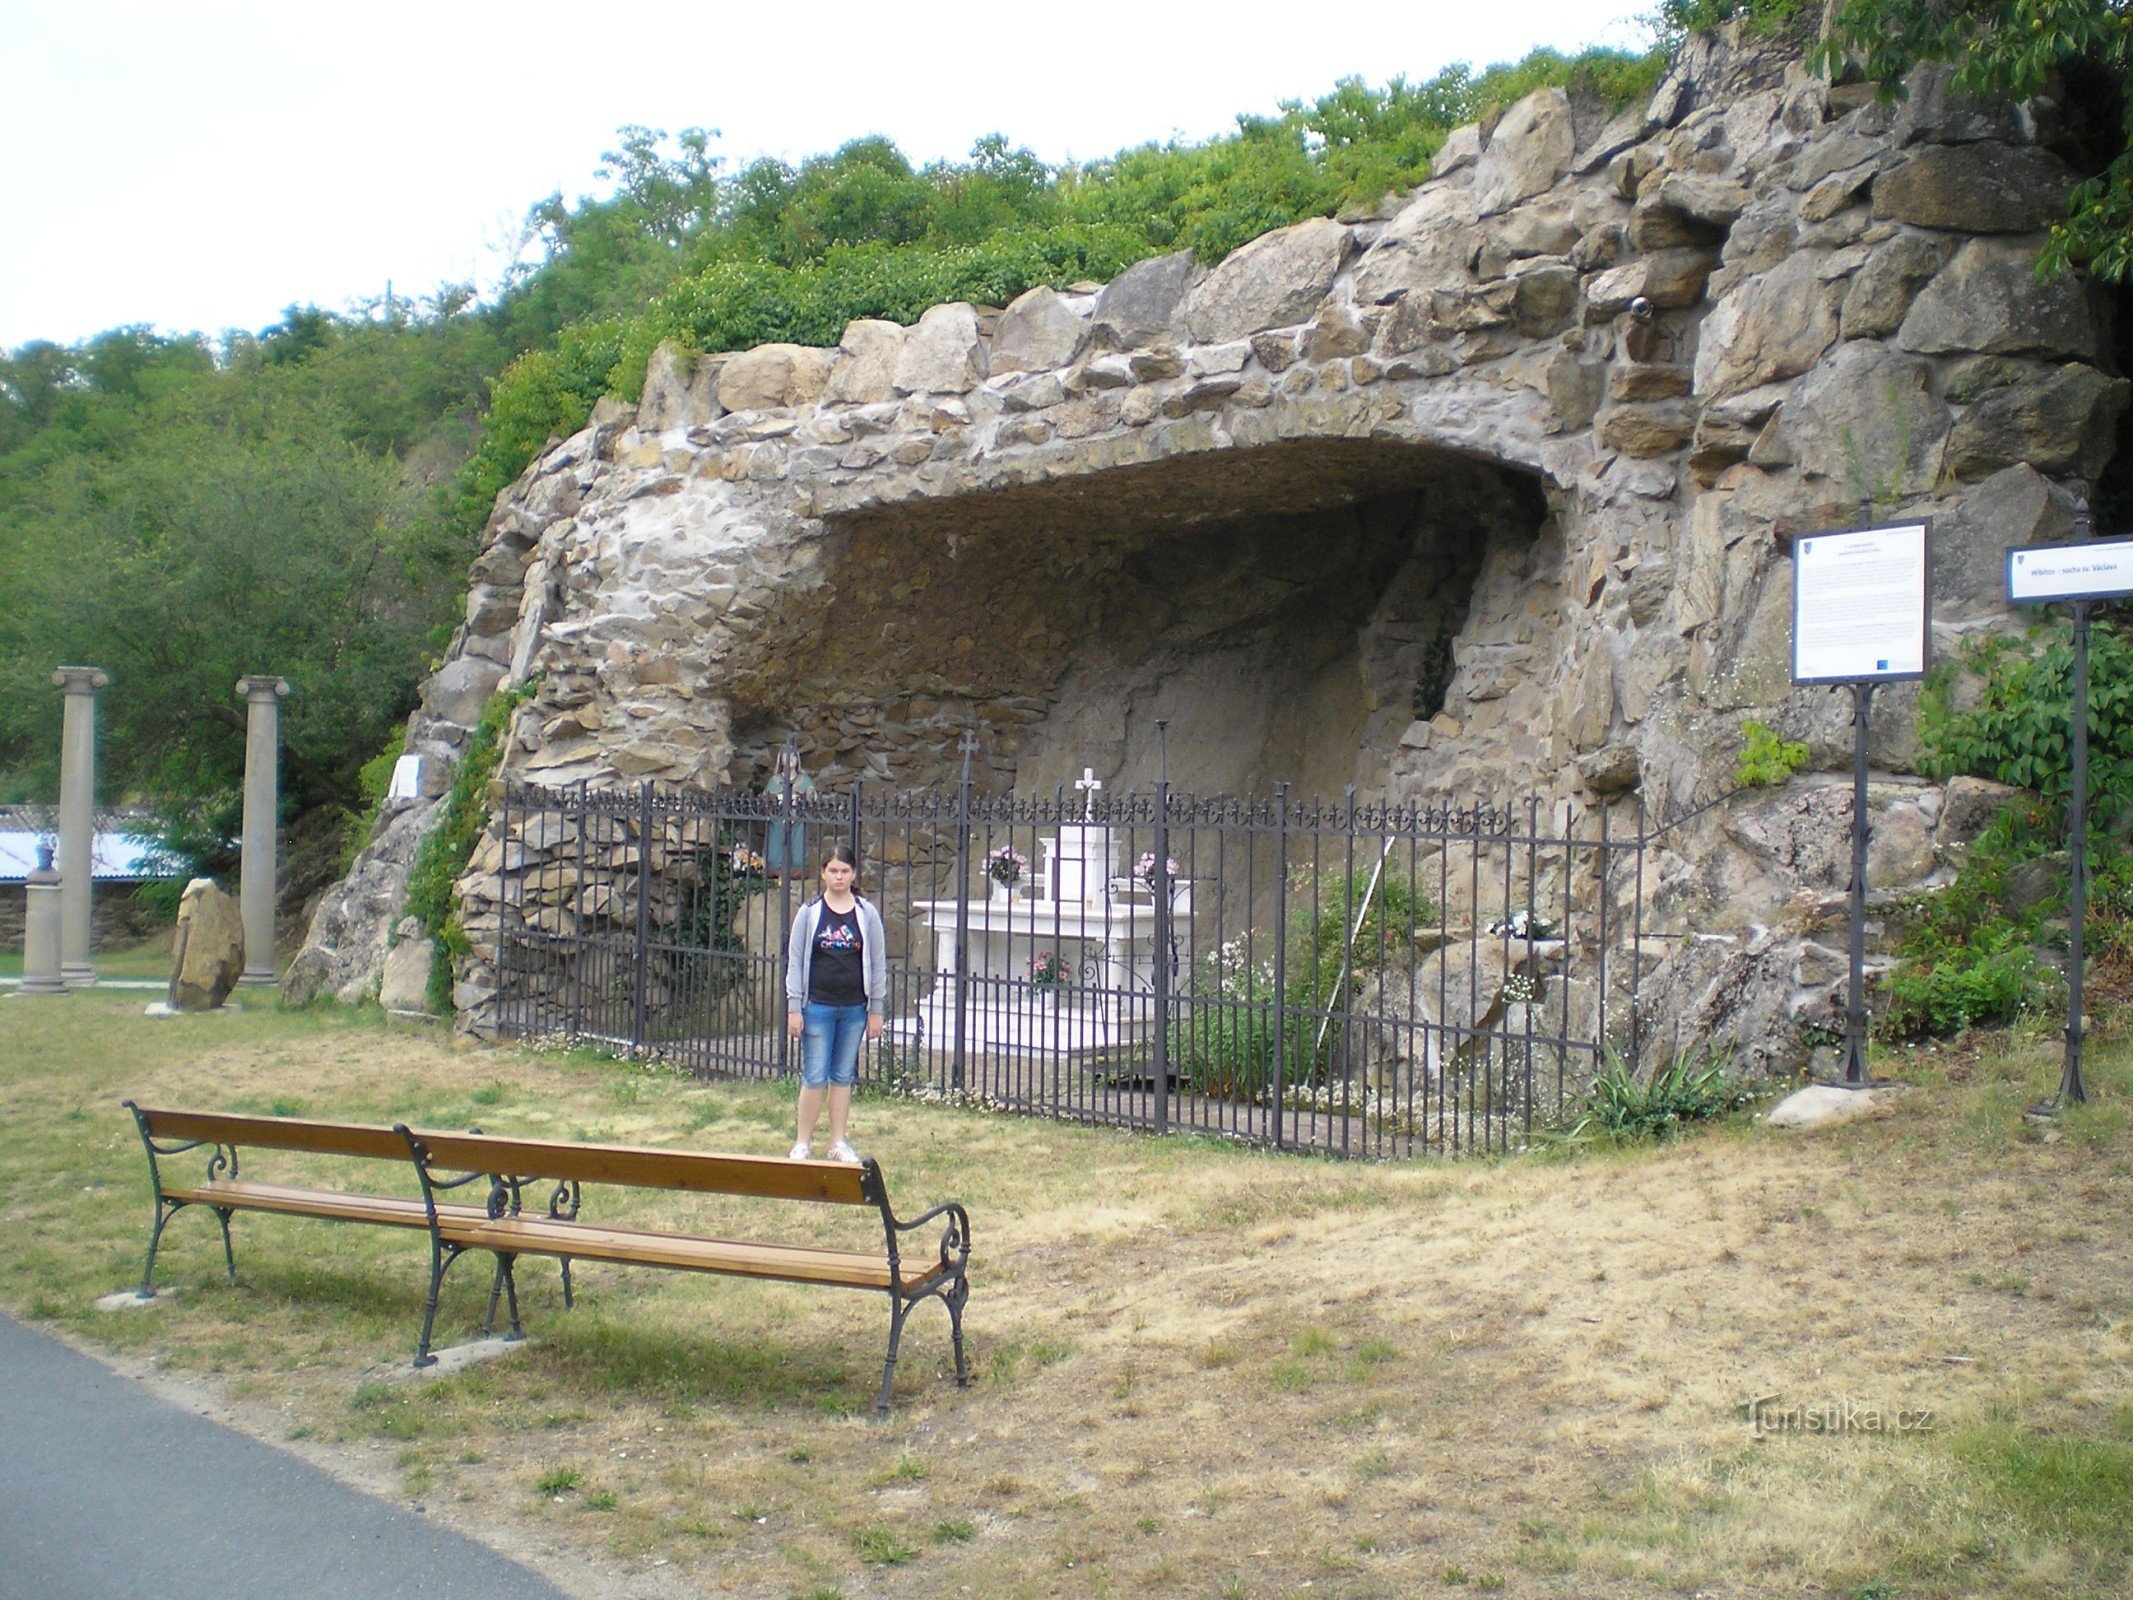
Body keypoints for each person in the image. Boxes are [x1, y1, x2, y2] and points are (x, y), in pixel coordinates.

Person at [785, 842, 887, 1162]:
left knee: (842, 1076)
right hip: (817, 1006)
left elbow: (878, 963)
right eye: (833, 871)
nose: (839, 877)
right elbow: (796, 959)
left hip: (854, 1008)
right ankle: (803, 1142)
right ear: (823, 873)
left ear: (853, 874)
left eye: (844, 871)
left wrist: (876, 1010)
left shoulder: (866, 913)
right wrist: (793, 1007)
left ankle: (837, 1142)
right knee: (815, 1075)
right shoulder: (810, 912)